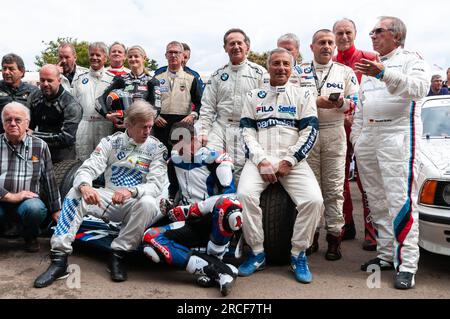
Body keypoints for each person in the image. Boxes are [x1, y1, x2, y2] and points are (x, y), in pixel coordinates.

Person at [34, 100, 167, 288]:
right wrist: (85, 186)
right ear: (128, 124)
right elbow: (87, 168)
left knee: (148, 202)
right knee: (75, 192)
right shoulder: (111, 142)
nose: (148, 132)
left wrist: (132, 191)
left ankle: (118, 254)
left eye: (150, 126)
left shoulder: (157, 148)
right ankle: (59, 259)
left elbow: (156, 185)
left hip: (135, 202)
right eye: (143, 127)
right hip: (109, 198)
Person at [352, 16, 430, 289]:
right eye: (371, 31)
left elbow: (420, 88)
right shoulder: (370, 64)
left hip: (397, 138)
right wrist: (358, 139)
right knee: (377, 202)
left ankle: (407, 265)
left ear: (396, 35)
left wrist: (383, 74)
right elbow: (361, 106)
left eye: (378, 31)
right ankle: (386, 255)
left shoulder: (411, 58)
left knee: (400, 202)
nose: (371, 35)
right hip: (369, 139)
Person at [237, 48, 323, 283]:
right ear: (268, 67)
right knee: (243, 195)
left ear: (292, 67)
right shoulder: (254, 96)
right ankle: (257, 253)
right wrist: (261, 159)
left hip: (293, 161)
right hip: (260, 160)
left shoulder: (303, 95)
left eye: (286, 64)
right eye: (276, 63)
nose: (281, 68)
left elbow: (310, 131)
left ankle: (298, 254)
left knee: (314, 201)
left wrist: (289, 160)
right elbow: (246, 132)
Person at [298, 29, 359, 261]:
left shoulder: (345, 71)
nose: (326, 46)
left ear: (334, 48)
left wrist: (341, 103)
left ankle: (334, 238)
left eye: (330, 43)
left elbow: (356, 101)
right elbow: (291, 99)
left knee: (334, 189)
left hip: (335, 131)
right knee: (310, 191)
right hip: (307, 133)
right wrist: (317, 101)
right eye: (321, 42)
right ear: (311, 46)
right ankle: (310, 236)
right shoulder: (299, 70)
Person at [199, 28, 267, 182]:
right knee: (209, 162)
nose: (236, 46)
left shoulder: (260, 73)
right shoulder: (217, 75)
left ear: (247, 47)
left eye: (239, 43)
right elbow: (207, 107)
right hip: (220, 127)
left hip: (246, 129)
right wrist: (203, 131)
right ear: (225, 48)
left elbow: (267, 107)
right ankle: (212, 204)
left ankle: (236, 206)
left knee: (239, 173)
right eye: (231, 44)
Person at [333, 18, 378, 251]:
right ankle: (346, 224)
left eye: (347, 32)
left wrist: (358, 115)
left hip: (364, 128)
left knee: (365, 180)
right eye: (339, 33)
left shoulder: (369, 58)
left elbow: (380, 92)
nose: (343, 37)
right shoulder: (330, 63)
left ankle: (372, 231)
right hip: (338, 129)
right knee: (339, 179)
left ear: (355, 33)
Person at [142, 195, 242, 296]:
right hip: (189, 223)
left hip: (211, 218)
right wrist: (171, 206)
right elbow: (172, 191)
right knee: (150, 236)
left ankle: (219, 268)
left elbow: (229, 193)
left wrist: (195, 208)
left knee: (228, 204)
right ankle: (220, 270)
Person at [0, 102, 60, 252]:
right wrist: (9, 196)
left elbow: (49, 179)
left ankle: (30, 236)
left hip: (27, 203)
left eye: (18, 120)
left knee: (35, 209)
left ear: (27, 123)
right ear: (3, 123)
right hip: (1, 199)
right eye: (8, 120)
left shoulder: (40, 146)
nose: (13, 124)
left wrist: (56, 209)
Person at [163, 121, 235, 208]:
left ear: (194, 140)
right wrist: (170, 203)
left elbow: (229, 195)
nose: (180, 153)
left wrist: (198, 209)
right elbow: (173, 188)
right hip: (183, 214)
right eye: (176, 149)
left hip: (209, 214)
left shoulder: (215, 159)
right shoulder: (173, 162)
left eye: (182, 148)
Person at [96, 45, 161, 132]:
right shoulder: (120, 79)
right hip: (120, 129)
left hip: (142, 131)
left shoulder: (152, 81)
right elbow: (99, 101)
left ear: (144, 58)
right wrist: (107, 115)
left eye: (136, 56)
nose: (133, 59)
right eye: (130, 57)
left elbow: (156, 109)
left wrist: (137, 124)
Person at [27, 64, 82, 162]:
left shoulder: (71, 104)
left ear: (59, 81)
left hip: (62, 154)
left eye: (50, 80)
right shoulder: (34, 96)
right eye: (42, 80)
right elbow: (27, 127)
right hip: (37, 151)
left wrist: (33, 135)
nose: (45, 84)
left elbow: (67, 138)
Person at [153, 41, 202, 149]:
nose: (173, 55)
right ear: (166, 55)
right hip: (161, 123)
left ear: (182, 56)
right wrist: (155, 116)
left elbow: (200, 103)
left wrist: (192, 115)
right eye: (170, 52)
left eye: (177, 52)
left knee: (181, 158)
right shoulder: (157, 78)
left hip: (182, 123)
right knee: (160, 157)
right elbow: (149, 102)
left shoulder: (191, 78)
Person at [72, 42, 114, 161]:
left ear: (105, 58)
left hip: (105, 125)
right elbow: (74, 104)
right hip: (84, 125)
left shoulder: (112, 79)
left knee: (104, 160)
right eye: (92, 54)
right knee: (83, 161)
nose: (94, 58)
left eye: (98, 55)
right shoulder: (80, 79)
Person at [0, 53, 38, 133]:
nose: (6, 72)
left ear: (22, 72)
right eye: (4, 68)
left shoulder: (33, 91)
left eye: (11, 69)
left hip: (25, 139)